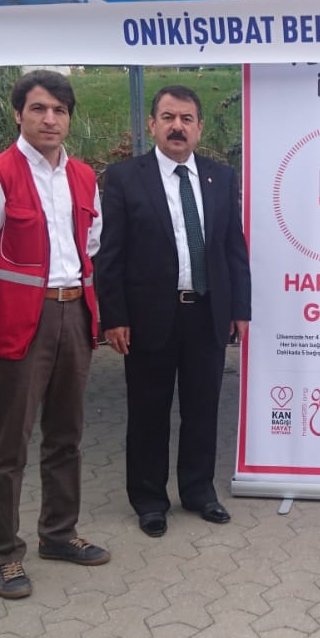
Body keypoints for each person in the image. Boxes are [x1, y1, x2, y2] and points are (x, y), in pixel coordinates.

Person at [0, 70, 109, 600]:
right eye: (39, 109)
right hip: (20, 324)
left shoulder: (84, 176)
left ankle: (59, 533)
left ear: (69, 118)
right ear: (18, 114)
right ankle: (5, 554)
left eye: (60, 111)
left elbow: (91, 245)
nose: (50, 119)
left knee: (66, 435)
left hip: (74, 314)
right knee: (10, 444)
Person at [95, 85, 251, 538]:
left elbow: (233, 248)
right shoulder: (125, 178)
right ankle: (149, 499)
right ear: (152, 125)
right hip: (149, 316)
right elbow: (110, 254)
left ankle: (199, 491)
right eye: (168, 117)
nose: (177, 126)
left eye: (186, 118)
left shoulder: (221, 178)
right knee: (149, 411)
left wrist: (239, 307)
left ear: (199, 127)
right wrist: (114, 317)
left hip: (207, 311)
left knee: (203, 407)